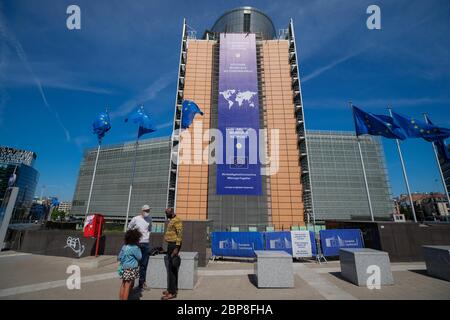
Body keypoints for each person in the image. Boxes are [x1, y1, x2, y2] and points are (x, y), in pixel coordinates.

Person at [127, 204, 152, 290]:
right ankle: (131, 283)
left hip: (145, 243)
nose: (147, 212)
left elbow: (149, 229)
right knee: (133, 264)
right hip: (136, 243)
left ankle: (142, 283)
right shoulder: (136, 218)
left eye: (148, 210)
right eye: (146, 210)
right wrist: (134, 237)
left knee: (144, 264)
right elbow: (129, 227)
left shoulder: (149, 219)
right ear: (142, 211)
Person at [161, 207, 183, 300]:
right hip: (170, 245)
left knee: (172, 270)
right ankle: (171, 289)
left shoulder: (177, 220)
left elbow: (180, 234)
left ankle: (172, 293)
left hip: (174, 246)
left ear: (171, 212)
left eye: (167, 214)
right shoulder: (172, 220)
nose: (166, 215)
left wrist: (176, 248)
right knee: (171, 269)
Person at [118, 228, 142, 300]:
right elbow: (140, 257)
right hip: (131, 269)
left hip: (124, 267)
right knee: (128, 286)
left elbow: (119, 257)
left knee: (123, 284)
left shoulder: (124, 246)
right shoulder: (135, 248)